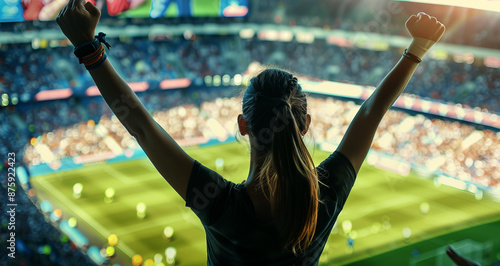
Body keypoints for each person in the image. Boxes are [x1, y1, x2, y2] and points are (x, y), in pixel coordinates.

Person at [56, 1, 445, 264]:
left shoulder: (222, 206)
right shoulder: (322, 199)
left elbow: (141, 126)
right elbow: (371, 114)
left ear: (243, 126)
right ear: (305, 124)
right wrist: (416, 50)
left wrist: (89, 49)